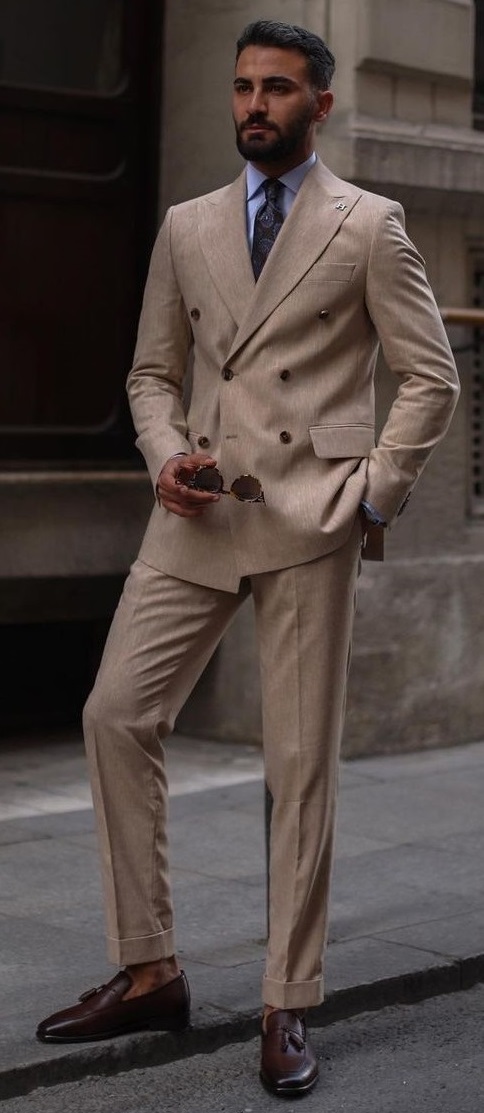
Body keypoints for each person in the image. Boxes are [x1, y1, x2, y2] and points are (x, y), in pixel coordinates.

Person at [36, 19, 460, 1098]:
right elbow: (148, 371)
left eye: (277, 88)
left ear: (319, 104)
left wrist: (371, 488)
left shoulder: (370, 224)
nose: (253, 105)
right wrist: (166, 450)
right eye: (240, 88)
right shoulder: (186, 225)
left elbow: (430, 376)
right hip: (199, 513)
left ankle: (286, 1002)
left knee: (297, 764)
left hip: (308, 513)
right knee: (115, 714)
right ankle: (150, 967)